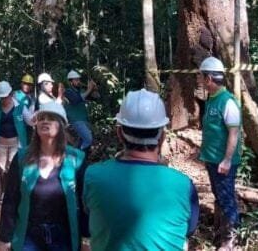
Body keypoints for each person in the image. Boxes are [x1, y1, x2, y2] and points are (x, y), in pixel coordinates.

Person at [81, 89, 199, 250]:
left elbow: (87, 223)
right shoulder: (184, 185)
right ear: (162, 137)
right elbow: (189, 229)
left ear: (119, 134)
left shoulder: (93, 176)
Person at [0, 102, 85, 251]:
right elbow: (11, 198)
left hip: (63, 237)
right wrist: (6, 237)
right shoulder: (21, 158)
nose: (45, 121)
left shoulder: (76, 158)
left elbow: (84, 202)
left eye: (51, 118)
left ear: (61, 125)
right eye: (41, 118)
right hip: (28, 235)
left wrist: (86, 237)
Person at [198, 56, 242, 249]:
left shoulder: (228, 102)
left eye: (201, 77)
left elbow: (234, 133)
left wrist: (227, 160)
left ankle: (230, 238)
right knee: (219, 194)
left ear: (209, 79)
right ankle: (222, 229)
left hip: (223, 162)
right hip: (211, 158)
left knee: (226, 197)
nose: (200, 80)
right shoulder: (211, 100)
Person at [0, 81, 30, 193]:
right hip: (0, 142)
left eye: (5, 97)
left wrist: (37, 118)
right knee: (2, 168)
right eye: (2, 97)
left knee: (13, 167)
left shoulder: (20, 106)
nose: (4, 100)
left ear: (11, 94)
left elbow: (29, 120)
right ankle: (4, 192)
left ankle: (13, 192)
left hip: (15, 142)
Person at [63, 70, 96, 151]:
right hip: (76, 120)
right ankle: (78, 154)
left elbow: (96, 97)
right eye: (76, 80)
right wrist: (89, 89)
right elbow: (76, 99)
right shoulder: (68, 92)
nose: (79, 82)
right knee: (88, 139)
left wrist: (93, 88)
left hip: (84, 120)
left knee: (81, 142)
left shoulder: (80, 91)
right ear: (71, 82)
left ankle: (78, 157)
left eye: (79, 79)